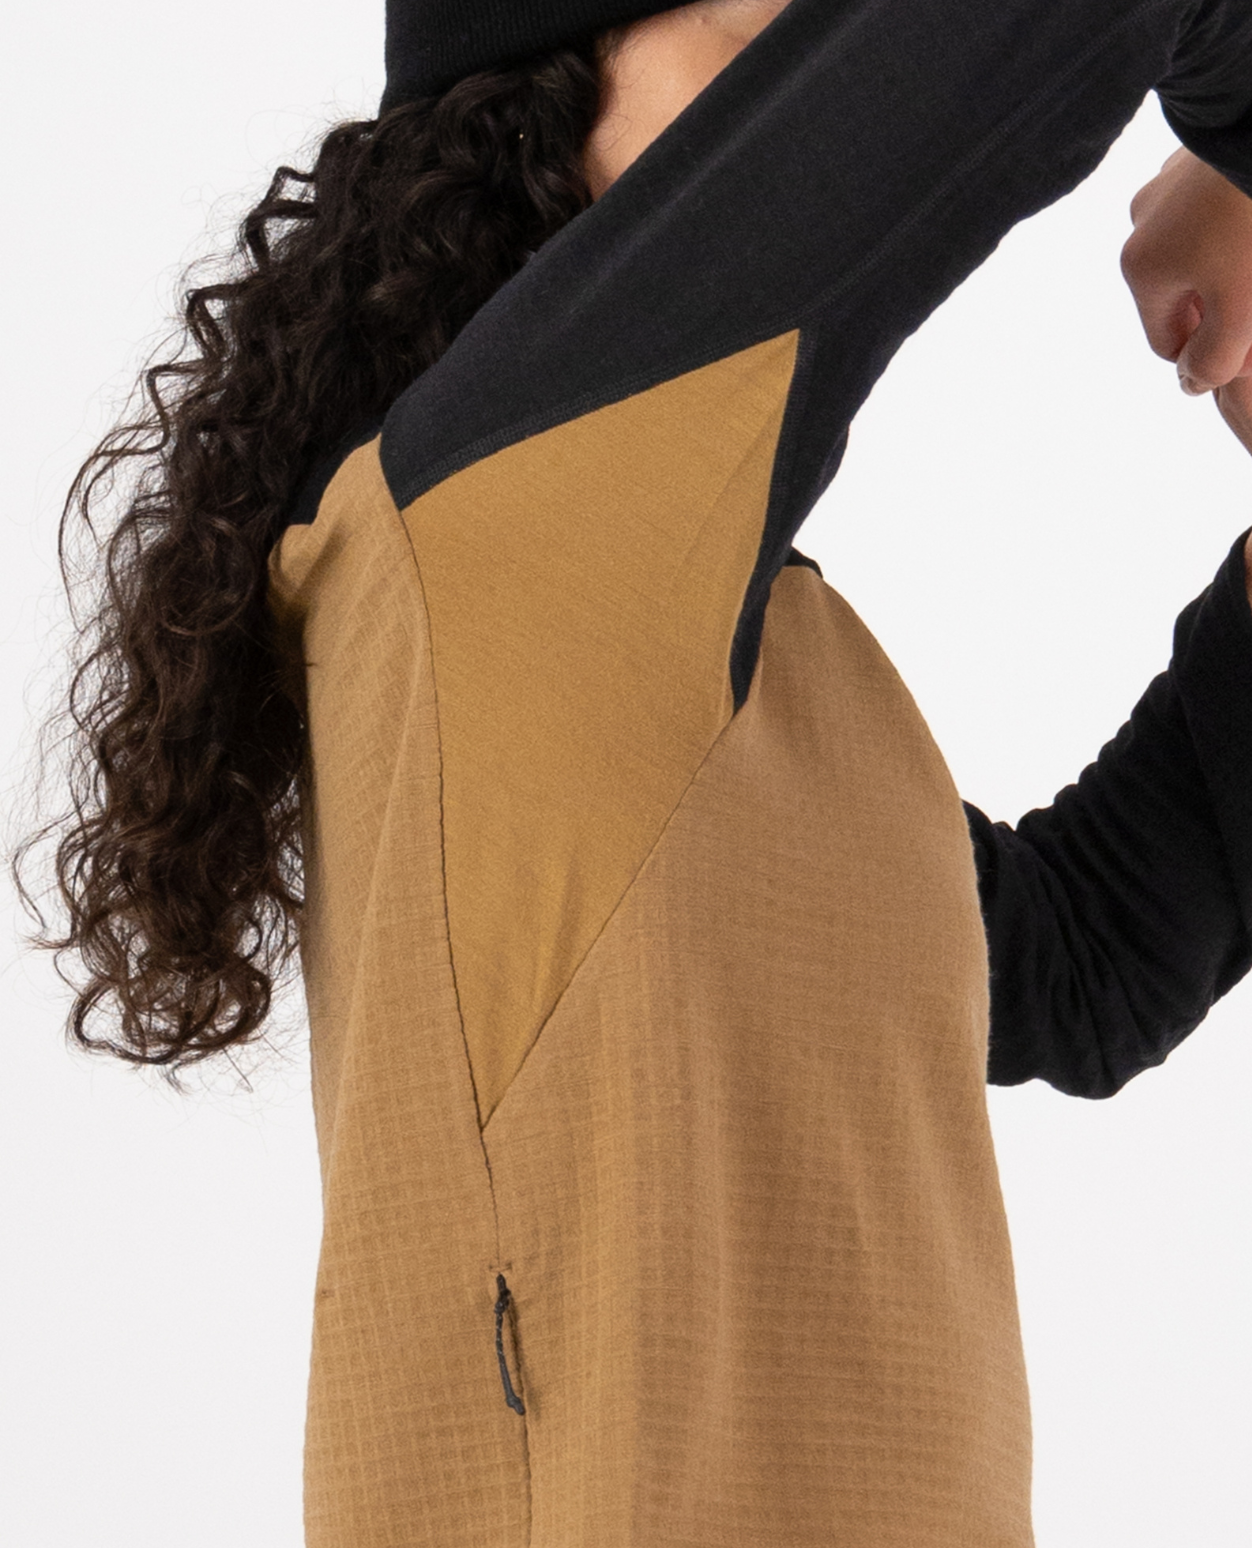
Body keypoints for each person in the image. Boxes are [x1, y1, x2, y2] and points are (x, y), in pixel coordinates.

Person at [12, 0, 1252, 1543]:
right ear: (554, 99)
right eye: (767, 27)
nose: (832, 62)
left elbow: (1089, 965)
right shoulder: (503, 519)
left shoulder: (660, 652)